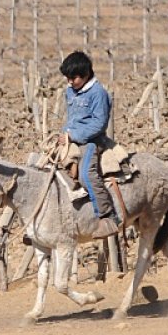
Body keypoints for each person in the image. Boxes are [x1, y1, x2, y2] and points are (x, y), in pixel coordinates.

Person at [58, 51, 119, 239]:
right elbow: (71, 117)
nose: (70, 82)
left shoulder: (99, 94)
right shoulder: (70, 91)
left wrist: (74, 135)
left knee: (86, 175)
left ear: (86, 74)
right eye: (67, 78)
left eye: (73, 78)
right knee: (42, 166)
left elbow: (99, 124)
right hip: (69, 137)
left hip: (91, 141)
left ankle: (107, 217)